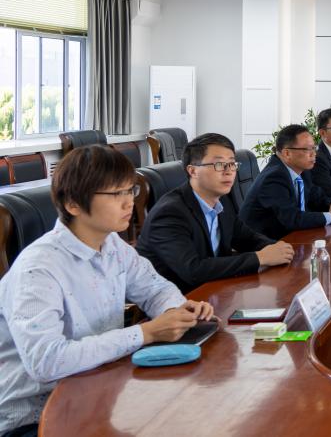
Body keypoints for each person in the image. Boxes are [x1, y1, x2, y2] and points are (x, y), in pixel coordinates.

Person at [0, 145, 213, 437]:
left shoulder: (111, 245)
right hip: (35, 420)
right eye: (115, 194)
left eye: (130, 191)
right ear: (73, 204)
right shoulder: (38, 269)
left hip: (98, 395)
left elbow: (154, 287)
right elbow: (47, 361)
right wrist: (146, 333)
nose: (129, 203)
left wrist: (176, 310)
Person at [136, 133, 295, 294]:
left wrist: (278, 249)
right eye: (219, 164)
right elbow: (193, 270)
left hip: (215, 291)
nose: (229, 171)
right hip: (178, 300)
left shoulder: (221, 200)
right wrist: (261, 257)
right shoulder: (169, 213)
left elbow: (247, 238)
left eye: (232, 164)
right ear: (193, 171)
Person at [239, 125, 331, 240]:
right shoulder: (273, 177)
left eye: (314, 148)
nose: (314, 154)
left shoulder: (301, 170)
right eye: (307, 149)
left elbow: (317, 197)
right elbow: (292, 219)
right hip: (264, 244)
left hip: (291, 238)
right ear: (287, 153)